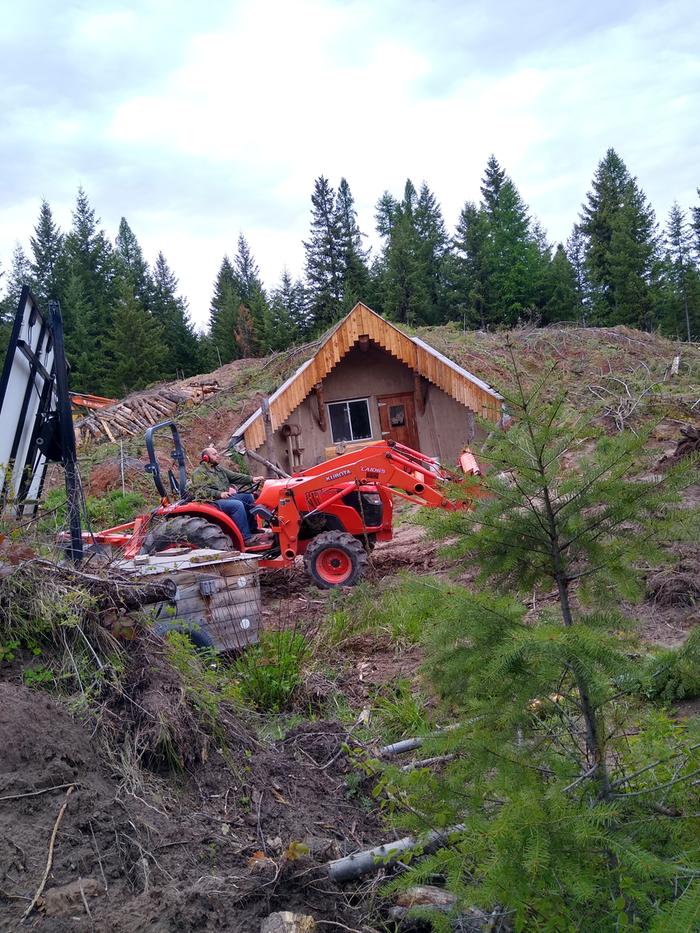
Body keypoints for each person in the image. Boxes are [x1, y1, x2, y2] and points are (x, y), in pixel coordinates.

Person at [190, 446, 271, 546]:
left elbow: (234, 476)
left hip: (225, 497)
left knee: (248, 497)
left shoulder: (218, 469)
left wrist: (252, 479)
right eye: (214, 454)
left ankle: (252, 529)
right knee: (237, 505)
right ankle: (246, 538)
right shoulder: (198, 473)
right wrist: (219, 494)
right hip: (212, 501)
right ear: (206, 457)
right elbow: (200, 490)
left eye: (217, 453)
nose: (217, 456)